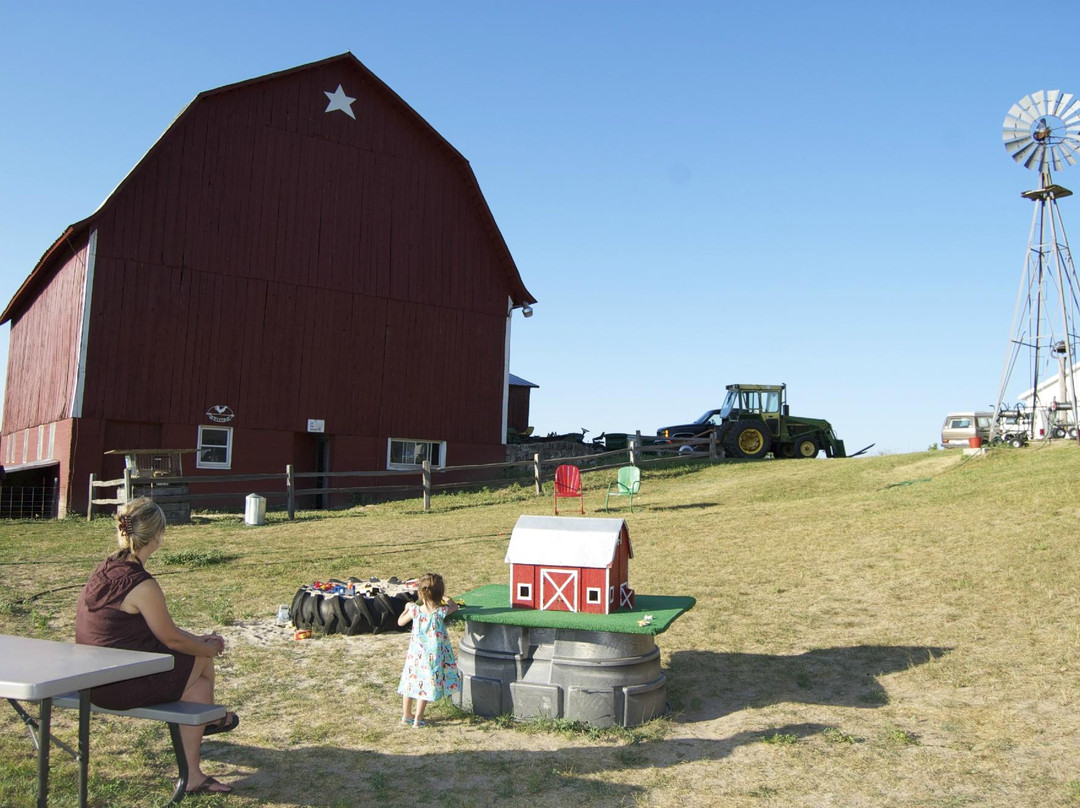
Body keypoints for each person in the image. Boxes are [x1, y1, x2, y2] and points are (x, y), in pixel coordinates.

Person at [75, 497, 237, 795]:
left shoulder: (104, 569)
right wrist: (207, 647)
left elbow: (163, 631)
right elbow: (171, 639)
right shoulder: (141, 584)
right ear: (158, 536)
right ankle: (212, 718)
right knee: (201, 660)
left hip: (92, 678)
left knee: (198, 683)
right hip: (118, 686)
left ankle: (193, 773)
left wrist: (198, 641)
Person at [396, 572, 462, 727]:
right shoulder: (440, 612)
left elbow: (400, 622)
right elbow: (454, 606)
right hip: (432, 656)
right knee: (424, 685)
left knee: (410, 682)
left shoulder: (414, 610)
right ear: (439, 594)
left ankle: (406, 714)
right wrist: (446, 597)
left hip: (415, 655)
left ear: (420, 593)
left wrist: (406, 608)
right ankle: (418, 718)